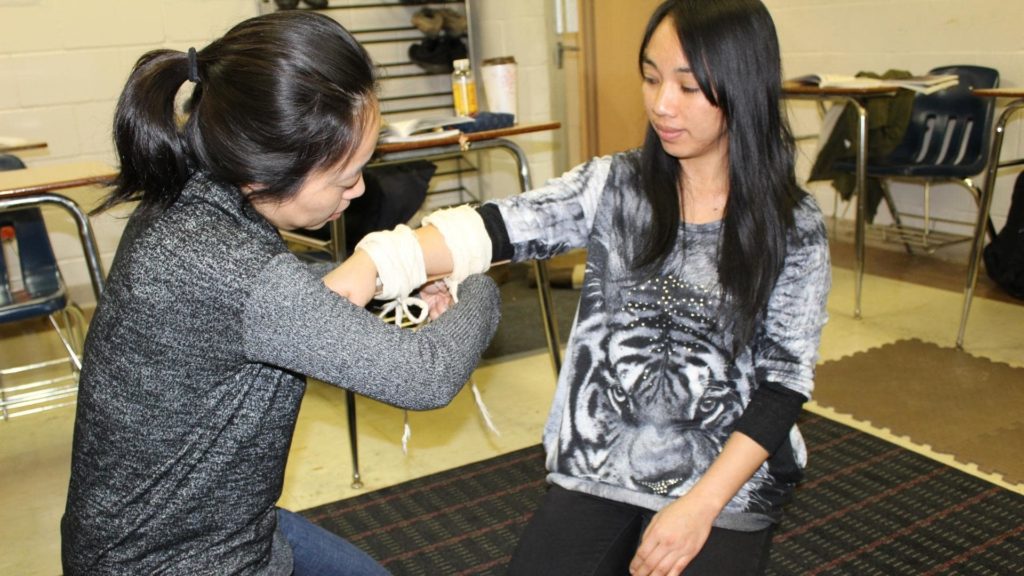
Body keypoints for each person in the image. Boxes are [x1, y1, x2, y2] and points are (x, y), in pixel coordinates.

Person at [329, 0, 831, 574]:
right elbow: (501, 225)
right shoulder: (615, 185)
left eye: (688, 87)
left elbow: (782, 388)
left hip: (726, 481)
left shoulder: (794, 225)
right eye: (650, 77)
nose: (661, 104)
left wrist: (699, 507)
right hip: (601, 461)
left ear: (742, 88)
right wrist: (375, 262)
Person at [60, 11, 501, 576]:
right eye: (346, 178)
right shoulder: (231, 265)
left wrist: (380, 271)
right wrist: (476, 276)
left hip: (216, 529)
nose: (360, 188)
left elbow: (274, 303)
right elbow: (426, 375)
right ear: (265, 170)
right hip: (177, 563)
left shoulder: (187, 203)